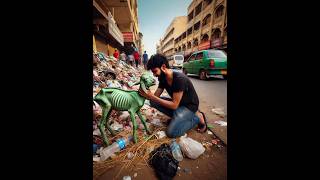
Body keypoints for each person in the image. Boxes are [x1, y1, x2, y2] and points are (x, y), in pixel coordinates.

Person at [138, 54, 207, 138]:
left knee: (171, 132)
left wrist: (152, 97)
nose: (154, 75)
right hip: (179, 104)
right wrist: (146, 93)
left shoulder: (179, 79)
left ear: (163, 67)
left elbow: (174, 105)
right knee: (153, 101)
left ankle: (197, 117)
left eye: (155, 71)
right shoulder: (162, 78)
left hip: (189, 106)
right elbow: (156, 96)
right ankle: (178, 118)